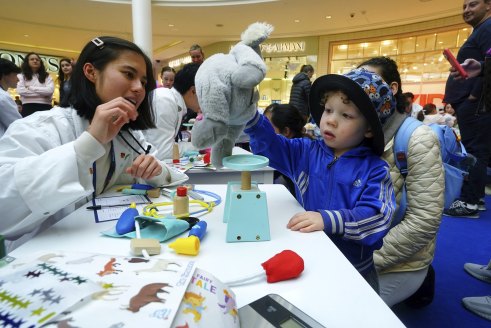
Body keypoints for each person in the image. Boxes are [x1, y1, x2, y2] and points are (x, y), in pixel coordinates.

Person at [0, 36, 188, 252]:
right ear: (90, 72)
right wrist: (88, 145)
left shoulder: (128, 135)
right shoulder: (42, 127)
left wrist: (155, 170)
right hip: (43, 261)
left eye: (144, 82)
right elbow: (3, 210)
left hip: (106, 252)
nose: (138, 88)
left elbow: (172, 175)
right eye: (128, 74)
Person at [245, 68, 396, 292]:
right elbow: (272, 147)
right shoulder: (306, 152)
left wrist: (328, 219)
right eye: (328, 110)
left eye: (346, 115)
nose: (331, 121)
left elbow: (378, 216)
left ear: (369, 130)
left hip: (354, 271)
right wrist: (251, 118)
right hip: (310, 258)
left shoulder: (375, 169)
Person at [358, 56, 444, 307]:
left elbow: (424, 221)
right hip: (358, 252)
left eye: (369, 83)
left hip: (397, 262)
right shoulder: (355, 131)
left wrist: (361, 259)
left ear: (392, 89)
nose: (360, 90)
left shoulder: (417, 138)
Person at [443, 0, 491, 218]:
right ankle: (475, 197)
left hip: (476, 104)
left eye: (472, 4)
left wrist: (473, 96)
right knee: (474, 151)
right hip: (472, 103)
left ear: (488, 5)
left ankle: (469, 201)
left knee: (474, 152)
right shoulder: (481, 30)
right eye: (464, 6)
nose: (466, 10)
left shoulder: (488, 28)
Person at [143, 63, 201, 160]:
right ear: (193, 90)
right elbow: (162, 151)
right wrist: (199, 146)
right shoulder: (165, 100)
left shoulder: (173, 101)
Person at [263, 103, 311, 196]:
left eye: (267, 128)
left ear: (286, 131)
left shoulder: (301, 155)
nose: (264, 132)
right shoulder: (304, 144)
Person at [16, 52, 55, 117]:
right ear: (27, 62)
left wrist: (30, 88)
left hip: (46, 107)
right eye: (32, 59)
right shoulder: (21, 75)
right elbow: (21, 91)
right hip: (28, 107)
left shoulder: (47, 76)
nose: (35, 61)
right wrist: (44, 94)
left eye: (37, 59)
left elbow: (50, 91)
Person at [0, 58, 22, 137]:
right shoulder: (3, 97)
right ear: (4, 75)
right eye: (15, 74)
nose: (18, 79)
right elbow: (17, 125)